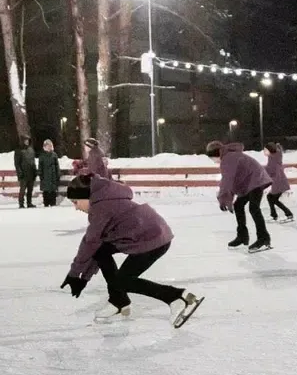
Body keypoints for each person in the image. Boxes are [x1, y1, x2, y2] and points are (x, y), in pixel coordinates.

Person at [59, 175, 203, 327]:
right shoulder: (105, 199)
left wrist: (75, 275)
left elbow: (89, 243)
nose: (76, 207)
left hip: (152, 240)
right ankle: (118, 302)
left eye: (75, 202)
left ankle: (177, 297)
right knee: (102, 251)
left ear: (86, 197)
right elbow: (96, 246)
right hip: (146, 233)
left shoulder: (101, 207)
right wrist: (83, 278)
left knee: (123, 281)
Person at [206, 141, 273, 252]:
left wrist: (223, 199)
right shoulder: (230, 156)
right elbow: (231, 181)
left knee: (254, 208)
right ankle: (242, 237)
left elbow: (226, 181)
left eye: (212, 158)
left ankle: (264, 239)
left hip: (256, 180)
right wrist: (227, 198)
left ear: (217, 153)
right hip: (251, 181)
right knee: (238, 205)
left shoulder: (228, 159)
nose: (214, 161)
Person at [264, 142, 294, 223]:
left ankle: (287, 214)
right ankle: (275, 215)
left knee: (272, 198)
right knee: (271, 198)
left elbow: (270, 169)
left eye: (266, 149)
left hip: (278, 181)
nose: (265, 151)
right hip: (279, 181)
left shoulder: (273, 157)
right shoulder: (276, 156)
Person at [14, 136, 38, 209]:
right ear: (22, 141)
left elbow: (33, 162)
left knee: (30, 189)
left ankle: (29, 203)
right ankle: (21, 203)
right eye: (25, 140)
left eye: (28, 140)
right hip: (23, 174)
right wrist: (20, 173)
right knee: (23, 190)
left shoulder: (31, 150)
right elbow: (17, 164)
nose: (27, 141)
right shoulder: (18, 150)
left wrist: (35, 171)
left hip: (31, 173)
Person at [38, 139, 61, 207]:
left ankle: (53, 203)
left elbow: (57, 165)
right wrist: (40, 174)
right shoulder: (42, 155)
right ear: (45, 147)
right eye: (47, 146)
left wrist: (58, 173)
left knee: (53, 190)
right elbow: (40, 166)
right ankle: (46, 203)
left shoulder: (54, 154)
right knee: (46, 190)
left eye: (50, 146)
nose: (49, 147)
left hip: (53, 175)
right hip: (45, 175)